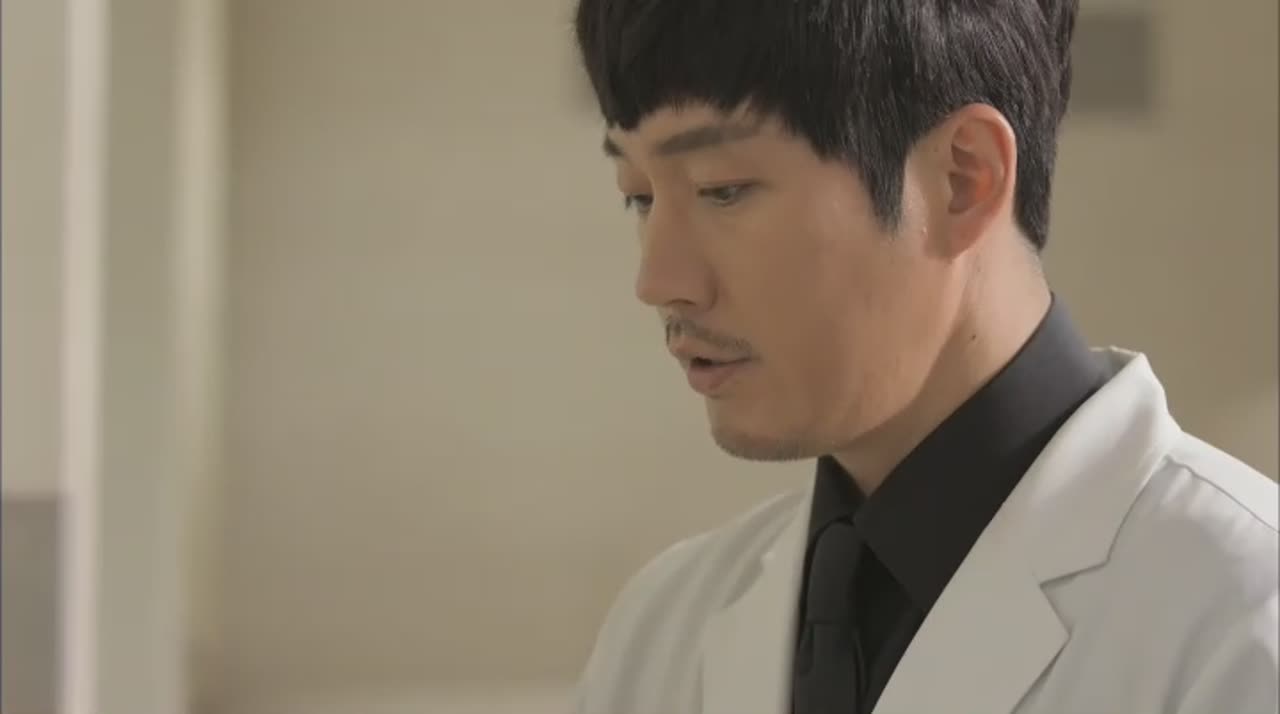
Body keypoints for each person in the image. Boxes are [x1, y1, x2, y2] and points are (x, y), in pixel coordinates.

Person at [568, 1, 1279, 713]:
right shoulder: (661, 627)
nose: (658, 282)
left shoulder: (1242, 617)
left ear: (963, 178)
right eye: (639, 196)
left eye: (722, 190)